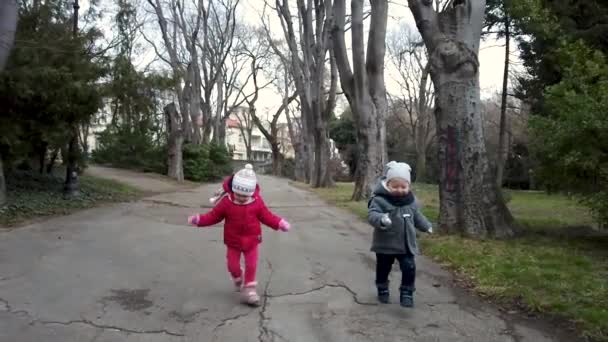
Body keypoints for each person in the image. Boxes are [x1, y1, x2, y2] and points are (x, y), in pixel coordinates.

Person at [187, 164, 291, 306]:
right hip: (233, 241)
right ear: (233, 190)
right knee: (232, 266)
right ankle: (237, 277)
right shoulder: (226, 203)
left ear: (251, 192)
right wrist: (199, 220)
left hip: (252, 241)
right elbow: (213, 216)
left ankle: (250, 290)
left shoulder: (257, 202)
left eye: (245, 195)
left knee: (251, 265)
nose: (241, 198)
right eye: (238, 194)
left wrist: (279, 223)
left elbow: (267, 216)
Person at [367, 161, 432, 307]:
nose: (400, 190)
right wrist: (381, 219)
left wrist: (426, 226)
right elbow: (372, 215)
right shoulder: (379, 200)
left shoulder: (411, 201)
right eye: (395, 186)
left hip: (406, 244)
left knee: (409, 267)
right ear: (387, 185)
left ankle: (407, 292)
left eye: (403, 187)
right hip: (385, 244)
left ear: (409, 186)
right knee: (383, 267)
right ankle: (382, 287)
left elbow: (417, 216)